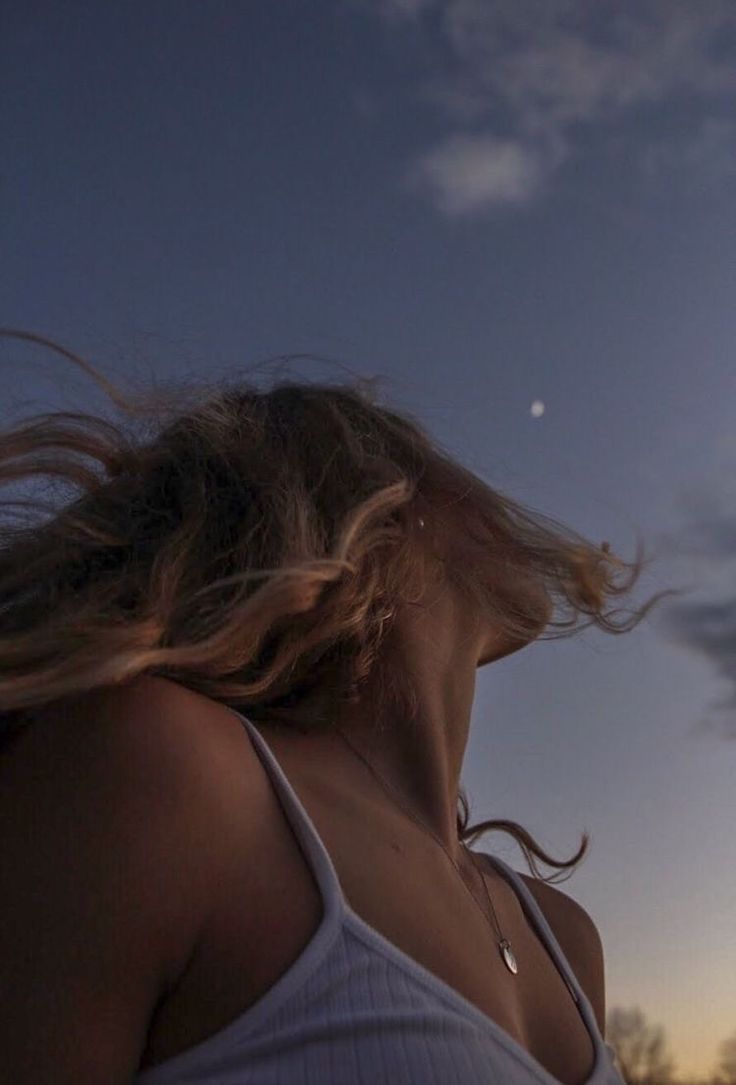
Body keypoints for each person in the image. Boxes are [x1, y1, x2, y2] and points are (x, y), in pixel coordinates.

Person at [0, 330, 681, 1083]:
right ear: (376, 504)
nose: (490, 495)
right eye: (440, 461)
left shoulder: (564, 934)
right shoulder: (168, 775)